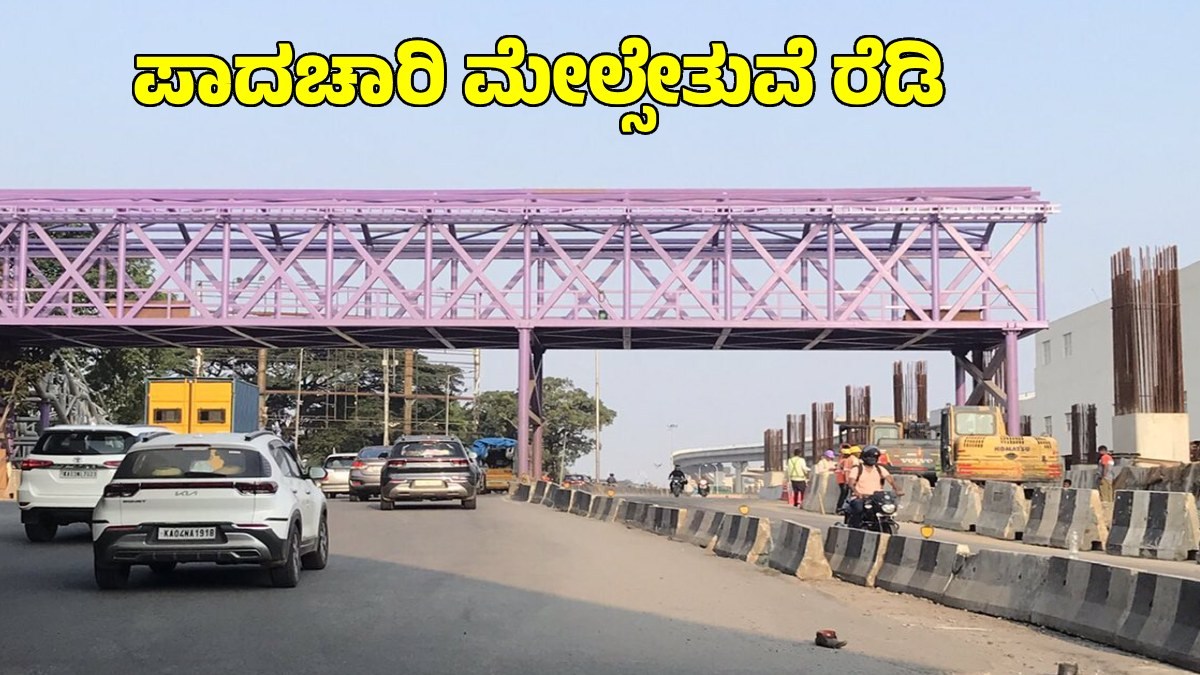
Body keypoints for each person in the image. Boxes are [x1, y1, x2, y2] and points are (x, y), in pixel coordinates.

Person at [845, 446, 904, 529]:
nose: (872, 459)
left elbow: (891, 480)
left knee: (889, 508)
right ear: (864, 457)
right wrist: (857, 492)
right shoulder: (857, 469)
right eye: (870, 456)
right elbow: (851, 483)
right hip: (861, 497)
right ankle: (855, 528)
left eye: (874, 457)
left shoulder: (880, 469)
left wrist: (897, 489)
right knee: (858, 508)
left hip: (876, 498)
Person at [835, 445, 861, 514]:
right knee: (850, 495)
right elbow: (847, 470)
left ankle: (840, 508)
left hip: (847, 480)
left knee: (845, 494)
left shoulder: (846, 460)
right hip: (851, 480)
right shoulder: (853, 459)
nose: (859, 454)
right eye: (858, 452)